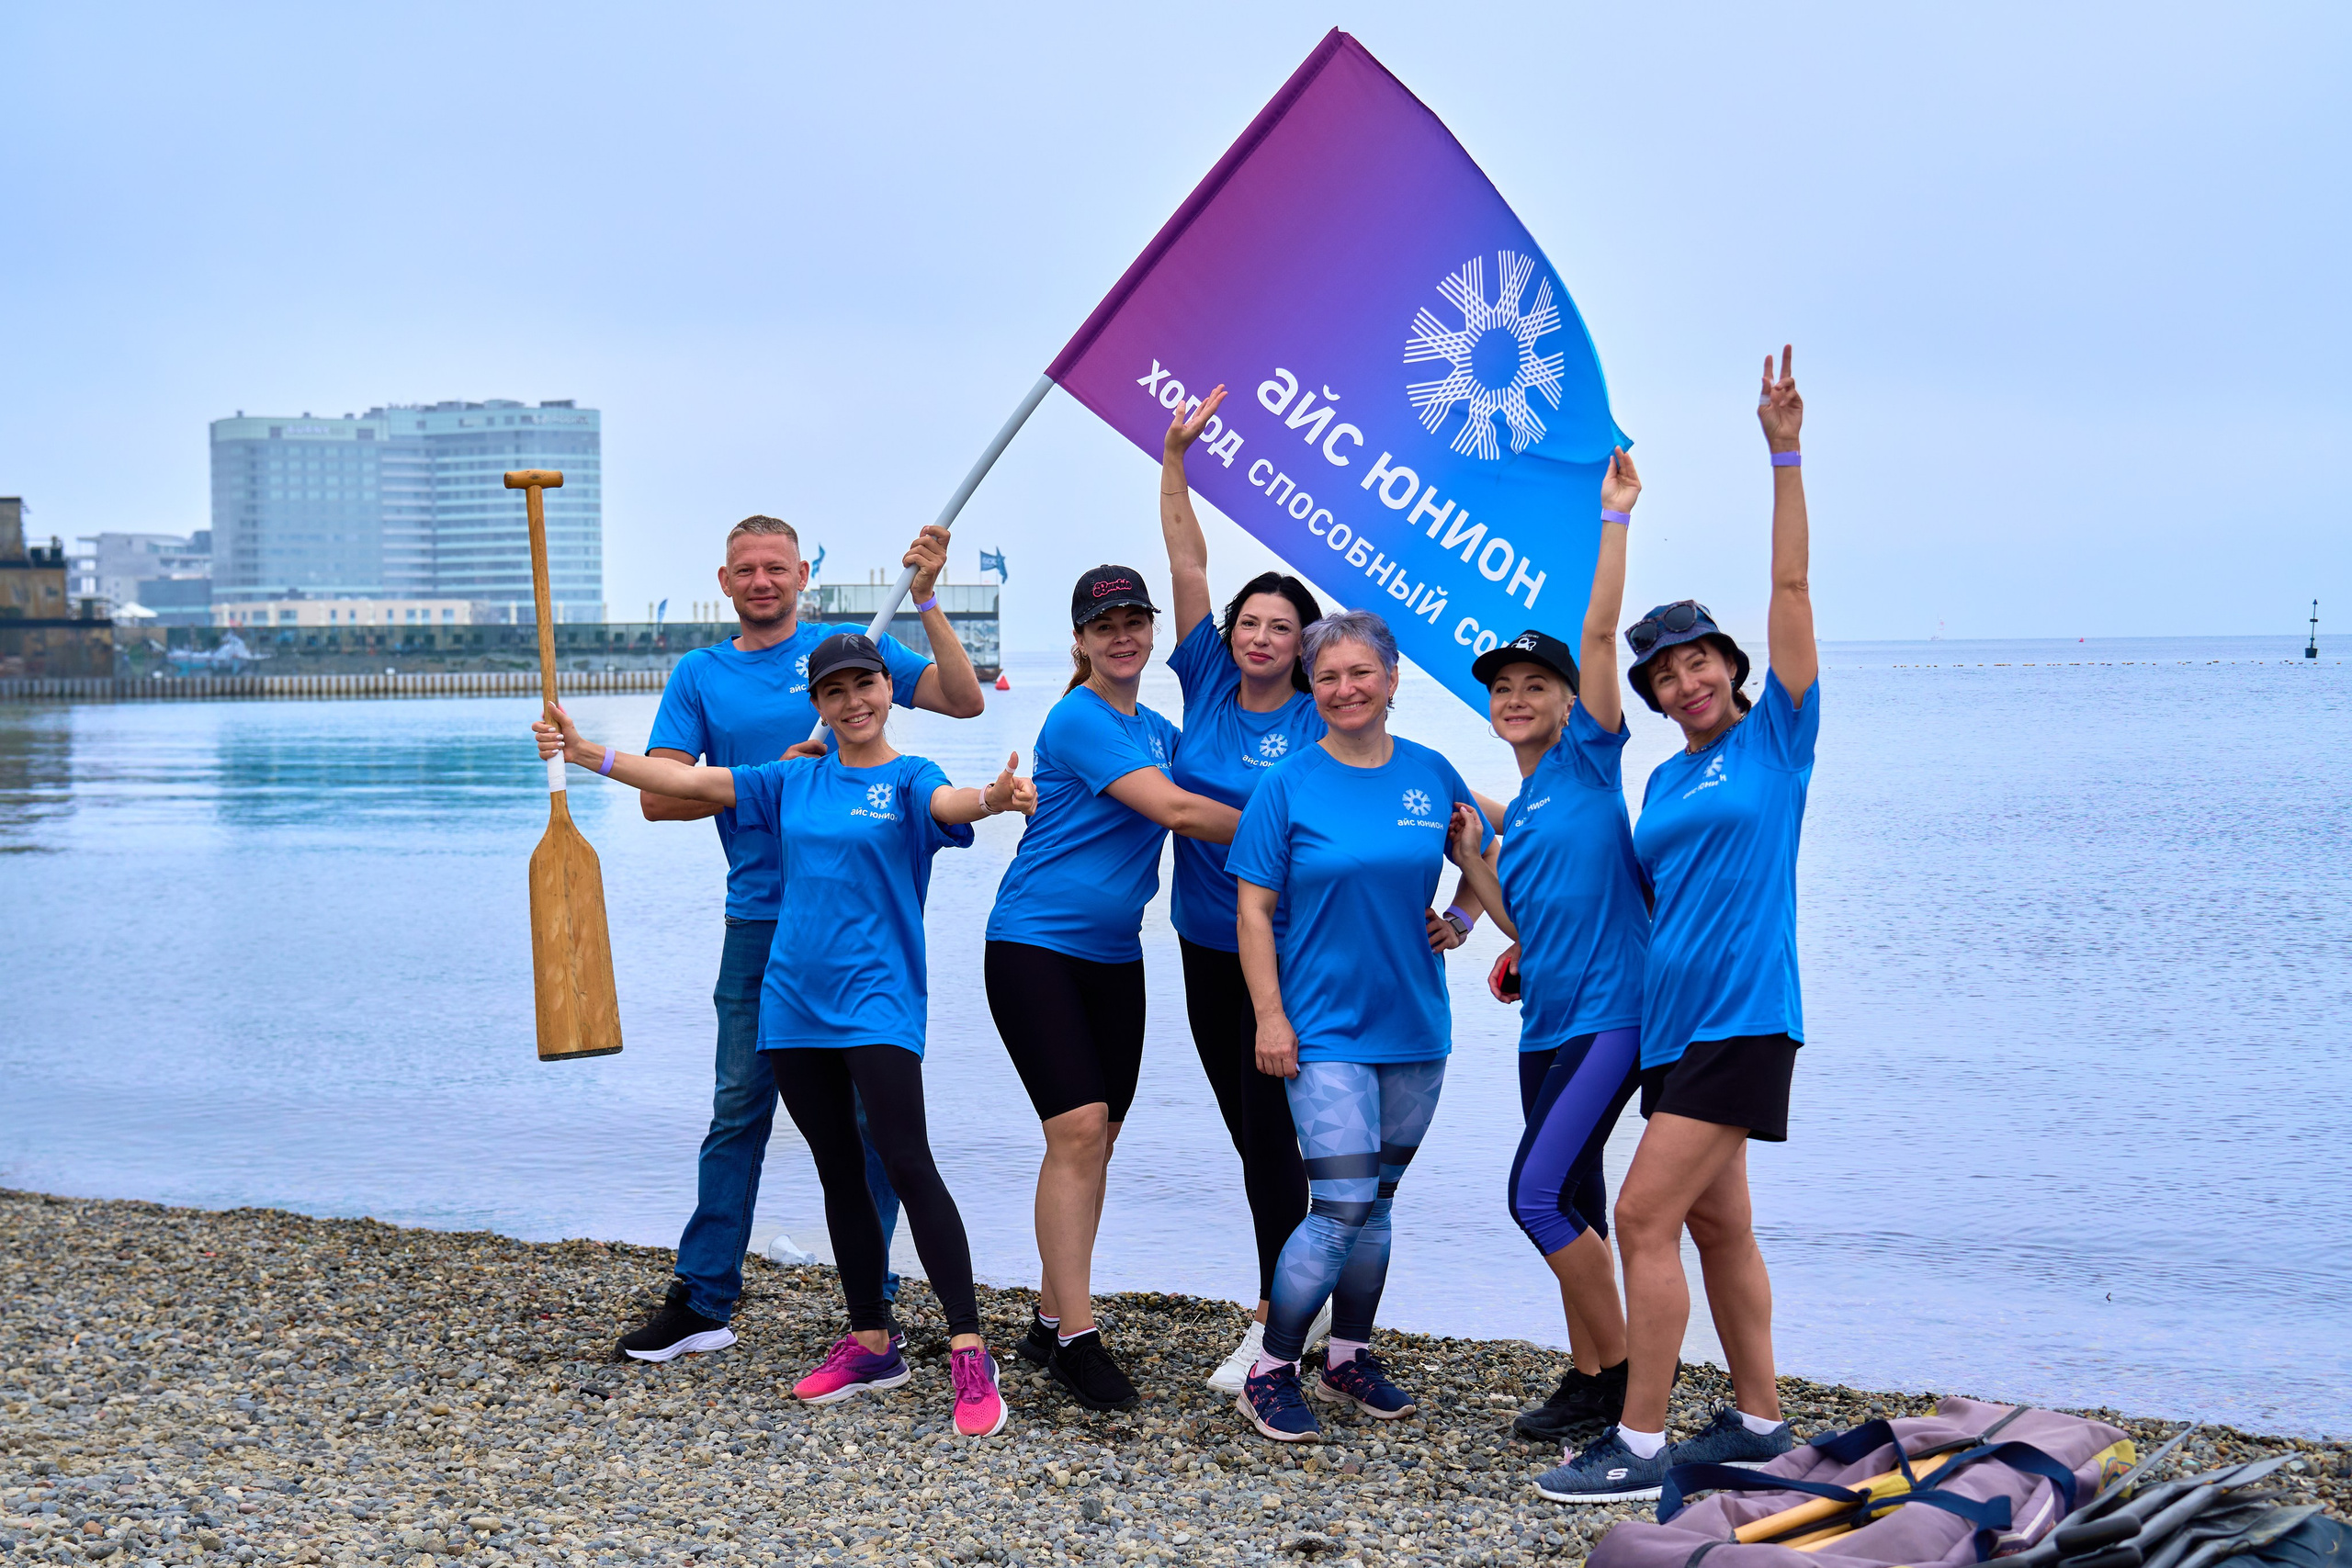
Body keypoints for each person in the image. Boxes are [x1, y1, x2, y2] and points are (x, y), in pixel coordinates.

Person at [535, 632, 1028, 1438]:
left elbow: (951, 805)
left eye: (865, 685)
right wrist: (591, 753)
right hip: (792, 1003)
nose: (854, 701)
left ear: (886, 690)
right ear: (819, 704)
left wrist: (994, 798)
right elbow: (686, 778)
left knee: (906, 1161)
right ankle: (872, 1337)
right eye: (834, 692)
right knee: (838, 1169)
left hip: (876, 1003)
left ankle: (971, 1349)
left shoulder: (911, 778)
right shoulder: (789, 779)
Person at [1537, 347, 1818, 1503]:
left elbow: (1792, 595)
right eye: (1665, 674)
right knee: (1712, 1230)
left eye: (1696, 661)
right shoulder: (1662, 784)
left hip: (1746, 1020)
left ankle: (1640, 1444)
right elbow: (1655, 901)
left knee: (1642, 1215)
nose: (1682, 682)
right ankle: (1756, 1421)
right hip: (1671, 1028)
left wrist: (1783, 453)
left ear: (1731, 668)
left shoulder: (1775, 743)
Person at [616, 515, 986, 1363]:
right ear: (725, 580)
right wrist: (779, 780)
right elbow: (658, 797)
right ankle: (705, 1296)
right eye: (745, 569)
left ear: (802, 574)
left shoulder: (849, 651)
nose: (761, 581)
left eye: (776, 567)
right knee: (737, 1109)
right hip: (761, 919)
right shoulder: (701, 674)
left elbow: (964, 700)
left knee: (873, 1127)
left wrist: (926, 601)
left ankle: (875, 1304)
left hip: (859, 922)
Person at [1225, 608, 1494, 1442]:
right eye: (1329, 675)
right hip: (1324, 1028)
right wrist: (1271, 1015)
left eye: (1360, 674)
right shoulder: (1289, 783)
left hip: (1415, 1024)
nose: (1345, 689)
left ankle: (1347, 1354)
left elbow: (1486, 851)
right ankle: (1271, 1369)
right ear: (1313, 686)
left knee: (1377, 1203)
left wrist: (1462, 917)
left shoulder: (1429, 771)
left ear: (1390, 680)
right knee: (1338, 1204)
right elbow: (1254, 910)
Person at [985, 565, 1244, 1412]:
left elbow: (1229, 775)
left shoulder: (1163, 728)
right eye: (1105, 625)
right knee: (1078, 1132)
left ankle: (1050, 1313)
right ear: (1080, 640)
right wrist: (1302, 832)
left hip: (1114, 957)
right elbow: (1175, 811)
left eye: (1136, 620)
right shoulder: (1077, 718)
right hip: (1033, 946)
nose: (1123, 635)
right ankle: (1076, 1340)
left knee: (1101, 1137)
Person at [1442, 448, 1652, 1449]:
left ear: (1569, 702)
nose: (1517, 697)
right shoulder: (1520, 814)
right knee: (1573, 1198)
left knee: (1532, 1195)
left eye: (1536, 684)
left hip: (1612, 1019)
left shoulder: (1590, 763)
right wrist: (1468, 861)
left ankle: (1626, 1379)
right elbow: (1521, 923)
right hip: (1545, 1025)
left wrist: (1612, 520)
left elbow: (1600, 632)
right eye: (1504, 687)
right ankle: (1586, 1375)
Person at [1153, 386, 1338, 1391]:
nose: (1261, 637)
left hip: (1288, 952)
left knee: (1274, 1132)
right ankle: (1304, 1295)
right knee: (1245, 1126)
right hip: (1198, 938)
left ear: (1305, 643)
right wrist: (1176, 461)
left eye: (1280, 627)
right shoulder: (1208, 684)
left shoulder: (1323, 715)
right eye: (1250, 623)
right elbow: (1188, 560)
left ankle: (1278, 1320)